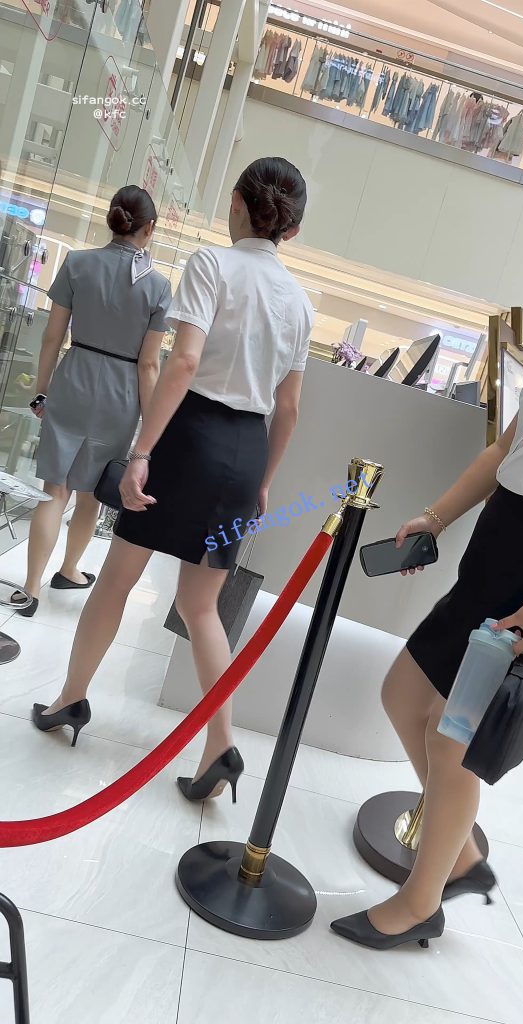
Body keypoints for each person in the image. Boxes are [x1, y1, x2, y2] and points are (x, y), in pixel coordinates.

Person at [33, 157, 314, 798]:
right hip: (247, 450)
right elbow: (291, 408)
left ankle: (71, 698)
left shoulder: (212, 264)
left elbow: (183, 361)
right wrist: (264, 481)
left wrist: (141, 452)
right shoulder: (301, 303)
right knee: (202, 605)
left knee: (117, 579)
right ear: (292, 231)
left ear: (236, 202)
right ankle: (221, 744)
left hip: (189, 438)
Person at [332, 323, 523, 950]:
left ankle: (421, 903)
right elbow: (505, 451)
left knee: (453, 737)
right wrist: (436, 517)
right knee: (403, 693)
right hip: (498, 544)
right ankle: (461, 855)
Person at [12, 186, 171, 618]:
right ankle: (69, 570)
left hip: (74, 378)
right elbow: (150, 364)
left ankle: (31, 588)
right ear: (149, 228)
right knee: (92, 494)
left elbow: (52, 336)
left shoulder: (77, 263)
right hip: (121, 394)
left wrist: (42, 390)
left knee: (55, 490)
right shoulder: (158, 286)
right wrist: (150, 424)